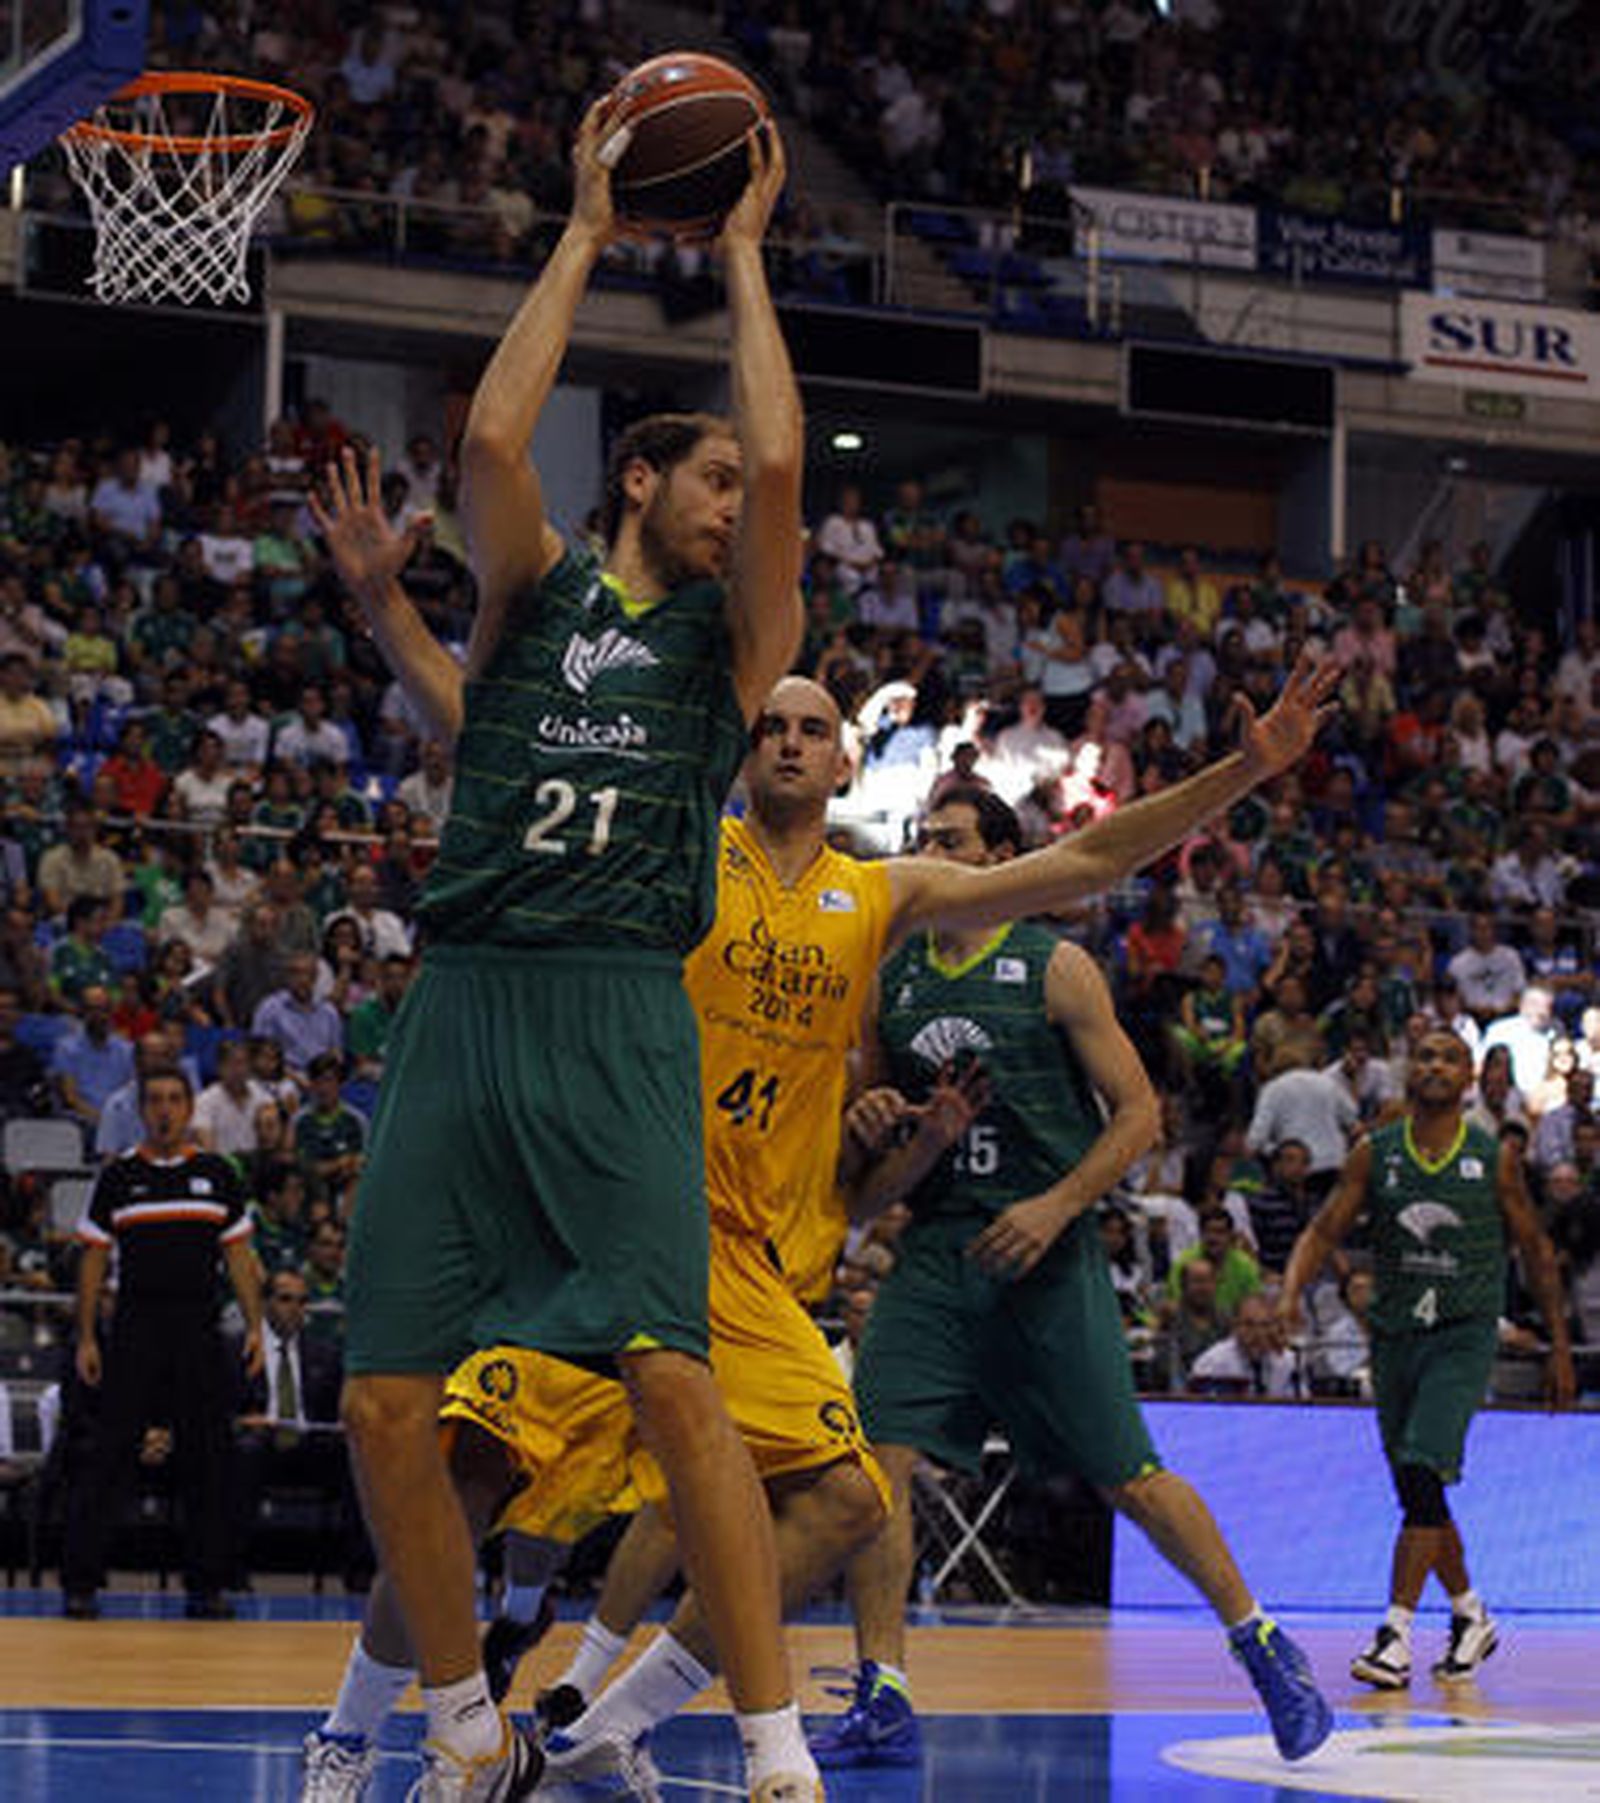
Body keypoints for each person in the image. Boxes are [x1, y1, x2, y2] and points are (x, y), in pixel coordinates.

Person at [302, 629, 1338, 1798]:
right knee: (469, 1477)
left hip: (744, 1263)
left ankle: (608, 1719)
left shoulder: (878, 896)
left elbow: (1088, 858)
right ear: (737, 756)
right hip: (614, 1216)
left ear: (846, 765)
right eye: (770, 727)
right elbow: (509, 743)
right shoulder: (680, 854)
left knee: (850, 1499)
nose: (790, 741)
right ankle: (344, 1732)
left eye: (813, 729)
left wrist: (1244, 770)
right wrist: (390, 613)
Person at [305, 105, 818, 1803]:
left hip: (614, 1016)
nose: (738, 496)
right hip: (467, 1002)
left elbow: (794, 469)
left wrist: (741, 248)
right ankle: (461, 1722)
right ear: (643, 482)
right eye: (713, 476)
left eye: (742, 482)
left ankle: (771, 1748)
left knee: (677, 1382)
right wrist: (588, 224)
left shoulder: (730, 652)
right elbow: (494, 449)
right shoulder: (529, 600)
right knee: (386, 1400)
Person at [813, 789, 1333, 1772]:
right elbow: (870, 1188)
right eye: (923, 840)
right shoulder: (887, 981)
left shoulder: (1054, 966)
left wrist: (1055, 1205)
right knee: (869, 1472)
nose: (931, 855)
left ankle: (1261, 1642)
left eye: (953, 842)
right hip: (936, 1252)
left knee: (1128, 1476)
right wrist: (891, 1132)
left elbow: (1139, 1116)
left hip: (1047, 1257)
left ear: (1006, 858)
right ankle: (882, 1691)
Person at [1278, 1029, 1574, 1690]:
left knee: (1419, 1468)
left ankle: (1395, 1634)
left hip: (1462, 1335)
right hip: (1394, 1336)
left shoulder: (1492, 1156)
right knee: (1420, 1489)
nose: (1436, 1065)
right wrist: (1290, 1292)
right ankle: (1471, 1615)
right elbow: (1324, 1229)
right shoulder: (1372, 1153)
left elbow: (1536, 1251)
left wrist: (1557, 1344)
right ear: (1410, 1072)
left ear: (1469, 1076)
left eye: (1449, 1056)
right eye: (1427, 1055)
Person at [61, 1067, 262, 1620]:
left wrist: (255, 1328)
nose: (165, 1110)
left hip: (199, 1328)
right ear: (143, 1109)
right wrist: (84, 1337)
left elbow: (240, 1258)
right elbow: (94, 1258)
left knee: (208, 1457)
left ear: (189, 1106)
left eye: (175, 1099)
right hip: (134, 1327)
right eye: (155, 1101)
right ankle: (81, 1582)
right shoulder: (119, 1176)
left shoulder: (219, 1174)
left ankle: (209, 1584)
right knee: (110, 1455)